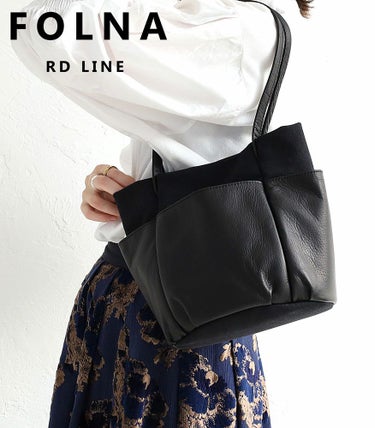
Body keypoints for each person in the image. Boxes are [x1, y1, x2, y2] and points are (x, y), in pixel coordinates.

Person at [11, 0, 313, 425]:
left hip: (170, 323)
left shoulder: (231, 29)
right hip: (156, 305)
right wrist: (120, 183)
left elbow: (43, 28)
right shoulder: (218, 22)